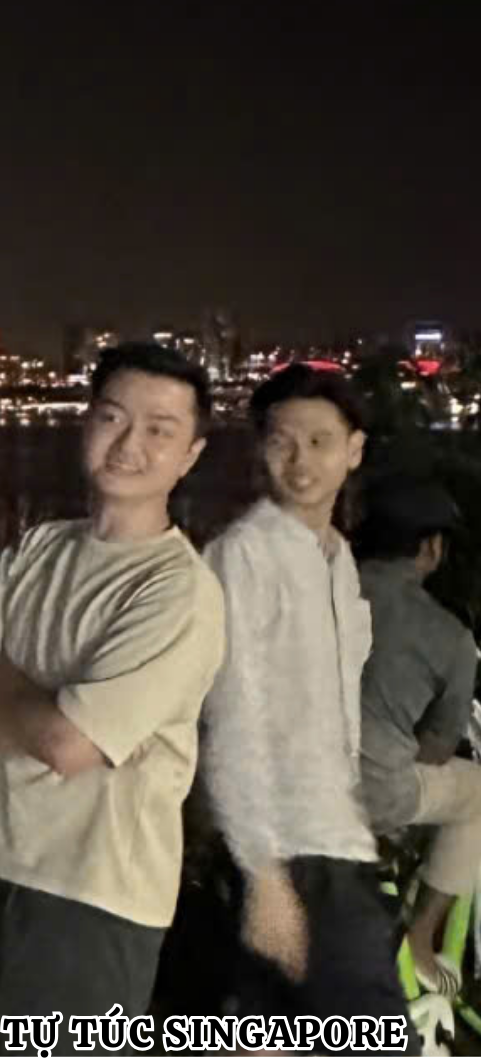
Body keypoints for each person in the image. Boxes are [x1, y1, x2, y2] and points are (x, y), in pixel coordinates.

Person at [0, 342, 224, 1024]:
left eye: (159, 430)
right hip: (14, 863)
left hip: (99, 888)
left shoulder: (178, 590)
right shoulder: (40, 548)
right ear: (86, 422)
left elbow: (70, 745)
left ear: (191, 455)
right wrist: (40, 710)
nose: (129, 444)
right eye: (113, 418)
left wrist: (0, 682)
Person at [200, 363, 414, 1038]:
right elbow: (232, 715)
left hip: (333, 837)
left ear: (354, 450)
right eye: (281, 442)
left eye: (319, 442)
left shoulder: (338, 559)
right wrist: (262, 872)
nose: (299, 462)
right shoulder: (242, 555)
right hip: (292, 849)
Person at [356, 474, 475, 992]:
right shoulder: (449, 636)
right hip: (370, 792)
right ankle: (421, 938)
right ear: (431, 547)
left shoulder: (314, 586)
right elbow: (438, 749)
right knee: (477, 794)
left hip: (275, 781)